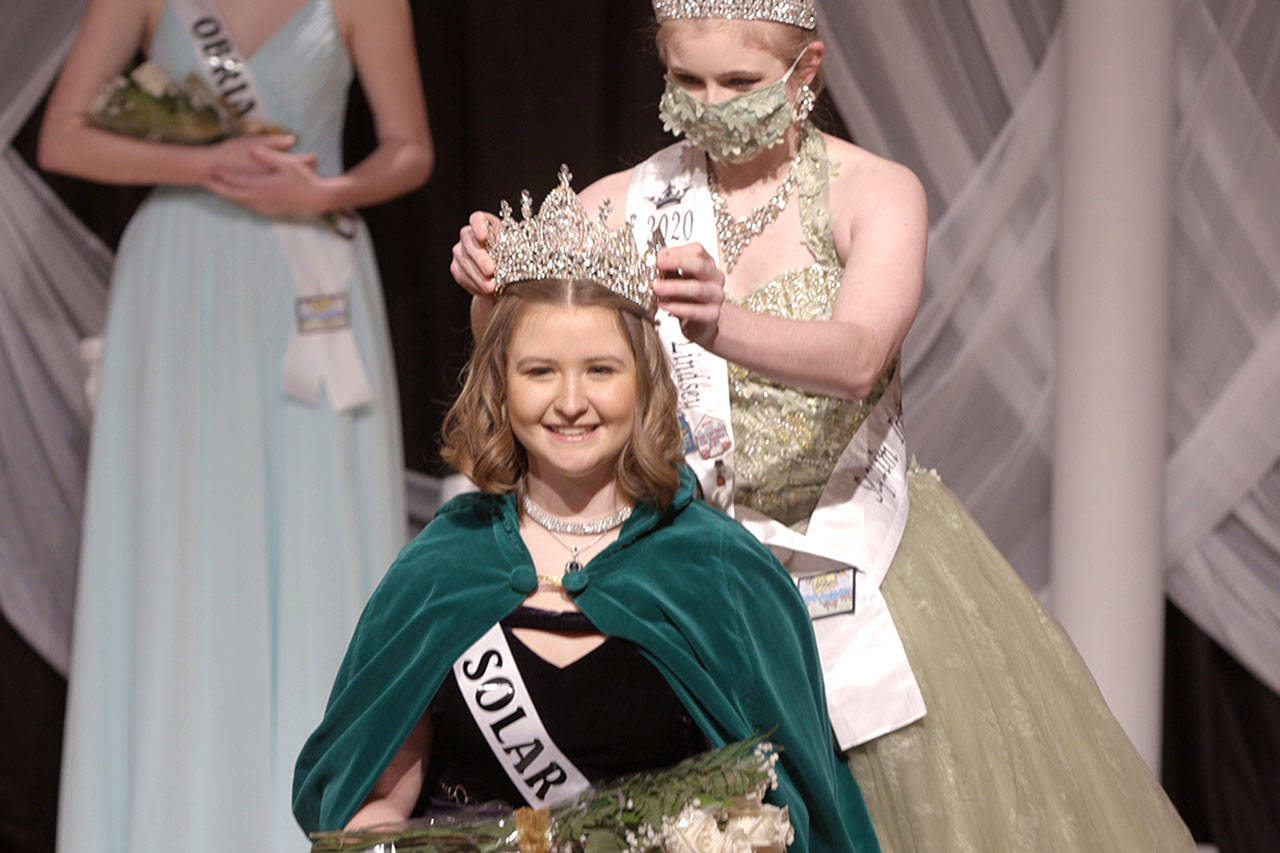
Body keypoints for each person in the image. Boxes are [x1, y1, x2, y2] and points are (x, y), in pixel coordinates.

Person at [450, 2, 1195, 850]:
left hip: (849, 554)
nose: (711, 103)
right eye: (686, 80)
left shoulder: (876, 191)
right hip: (685, 565)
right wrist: (485, 289)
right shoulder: (626, 201)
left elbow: (857, 353)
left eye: (739, 82)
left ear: (807, 71)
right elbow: (522, 358)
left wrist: (718, 322)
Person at [292, 168, 877, 852]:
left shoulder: (719, 571)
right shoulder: (442, 568)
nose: (571, 401)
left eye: (601, 370)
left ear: (646, 383)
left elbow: (799, 809)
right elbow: (371, 800)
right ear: (501, 386)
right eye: (540, 371)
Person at [37, 0, 432, 850]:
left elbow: (410, 148)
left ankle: (316, 816)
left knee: (315, 532)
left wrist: (327, 187)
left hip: (312, 273)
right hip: (182, 277)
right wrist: (200, 164)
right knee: (181, 539)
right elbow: (62, 135)